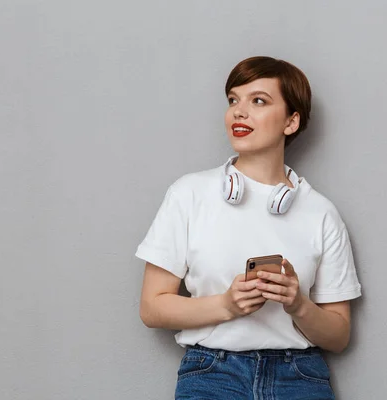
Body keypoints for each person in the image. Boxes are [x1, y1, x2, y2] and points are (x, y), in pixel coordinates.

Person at [136, 56, 362, 400]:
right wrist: (227, 305)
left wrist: (298, 304)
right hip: (212, 374)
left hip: (299, 377)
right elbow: (152, 308)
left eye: (258, 100)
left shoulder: (321, 213)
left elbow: (339, 335)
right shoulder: (188, 194)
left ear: (291, 121)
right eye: (233, 100)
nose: (238, 112)